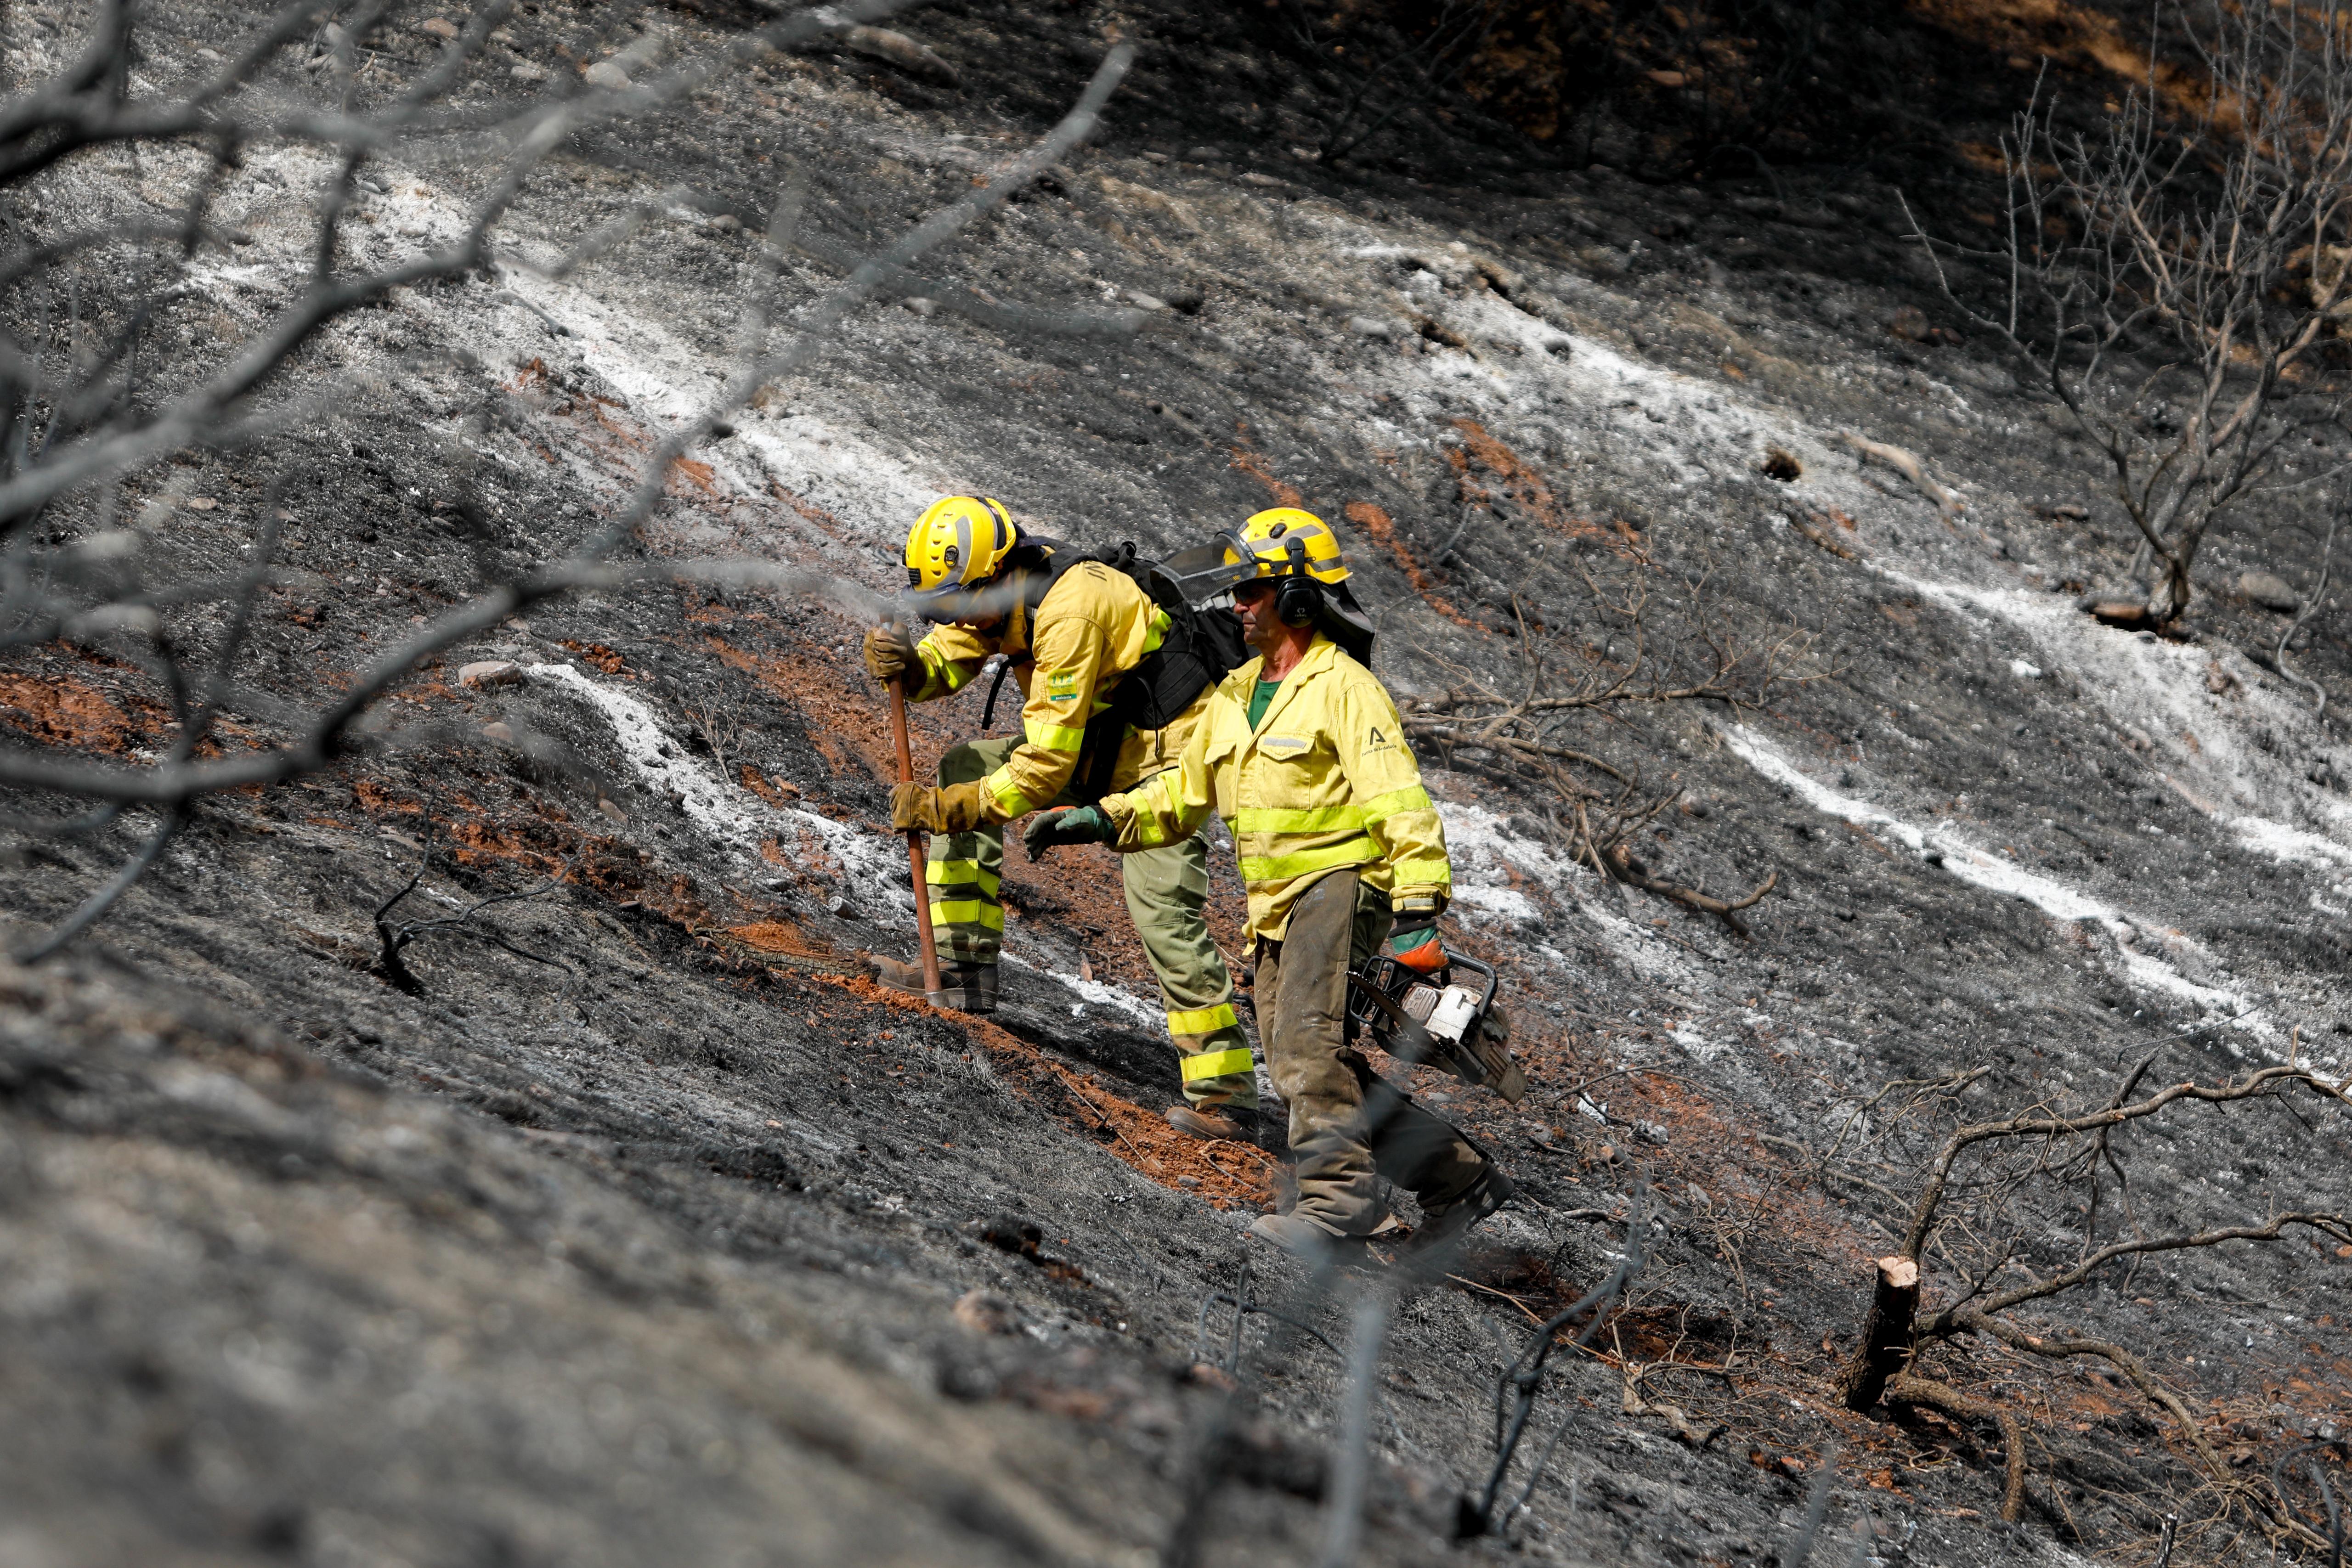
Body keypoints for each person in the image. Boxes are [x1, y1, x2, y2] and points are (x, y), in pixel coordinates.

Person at [1025, 507, 1515, 1259]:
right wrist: (1097, 818)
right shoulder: (1233, 694)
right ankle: (1457, 1177)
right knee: (1301, 1065)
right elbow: (1181, 792)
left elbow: (1399, 801)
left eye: (1252, 590)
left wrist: (1418, 912)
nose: (1237, 604)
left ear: (1297, 598)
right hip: (1278, 905)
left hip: (1343, 881)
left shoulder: (1344, 688)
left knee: (1307, 1048)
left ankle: (1338, 1211)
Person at [863, 495, 1259, 1140]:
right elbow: (950, 658)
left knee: (1162, 911)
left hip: (1166, 763)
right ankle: (962, 971)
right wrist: (912, 667)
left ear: (997, 574)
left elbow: (1043, 768)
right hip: (1095, 748)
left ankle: (1228, 1097)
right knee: (966, 765)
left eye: (957, 604)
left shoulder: (1070, 609)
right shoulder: (997, 593)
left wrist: (946, 811)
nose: (953, 618)